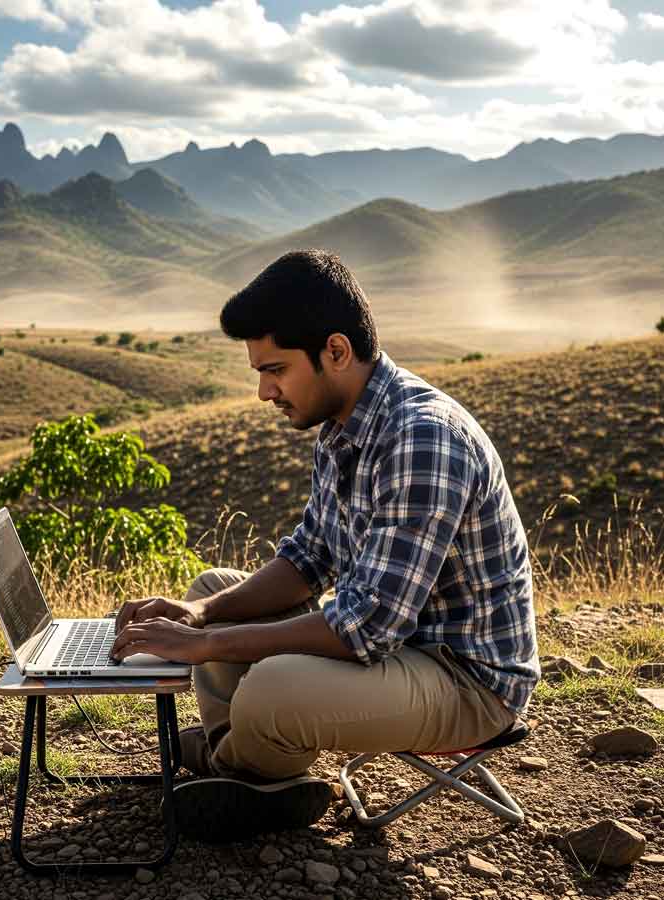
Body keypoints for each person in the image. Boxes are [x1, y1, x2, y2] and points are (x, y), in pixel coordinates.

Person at [111, 249, 540, 843]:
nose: (265, 392)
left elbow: (365, 627)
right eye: (260, 372)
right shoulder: (343, 425)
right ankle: (252, 772)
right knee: (212, 588)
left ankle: (242, 768)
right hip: (400, 654)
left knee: (271, 688)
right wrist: (203, 616)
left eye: (276, 370)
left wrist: (208, 642)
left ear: (335, 352)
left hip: (465, 682)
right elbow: (309, 558)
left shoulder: (423, 439)